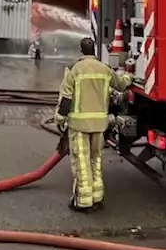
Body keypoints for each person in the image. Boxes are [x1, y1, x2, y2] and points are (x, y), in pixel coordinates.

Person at [55, 36, 132, 212]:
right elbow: (120, 84)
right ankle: (97, 198)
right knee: (96, 160)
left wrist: (60, 120)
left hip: (79, 126)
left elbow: (66, 99)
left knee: (82, 162)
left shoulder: (74, 70)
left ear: (81, 51)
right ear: (94, 50)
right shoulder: (104, 69)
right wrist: (129, 77)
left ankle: (83, 201)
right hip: (99, 125)